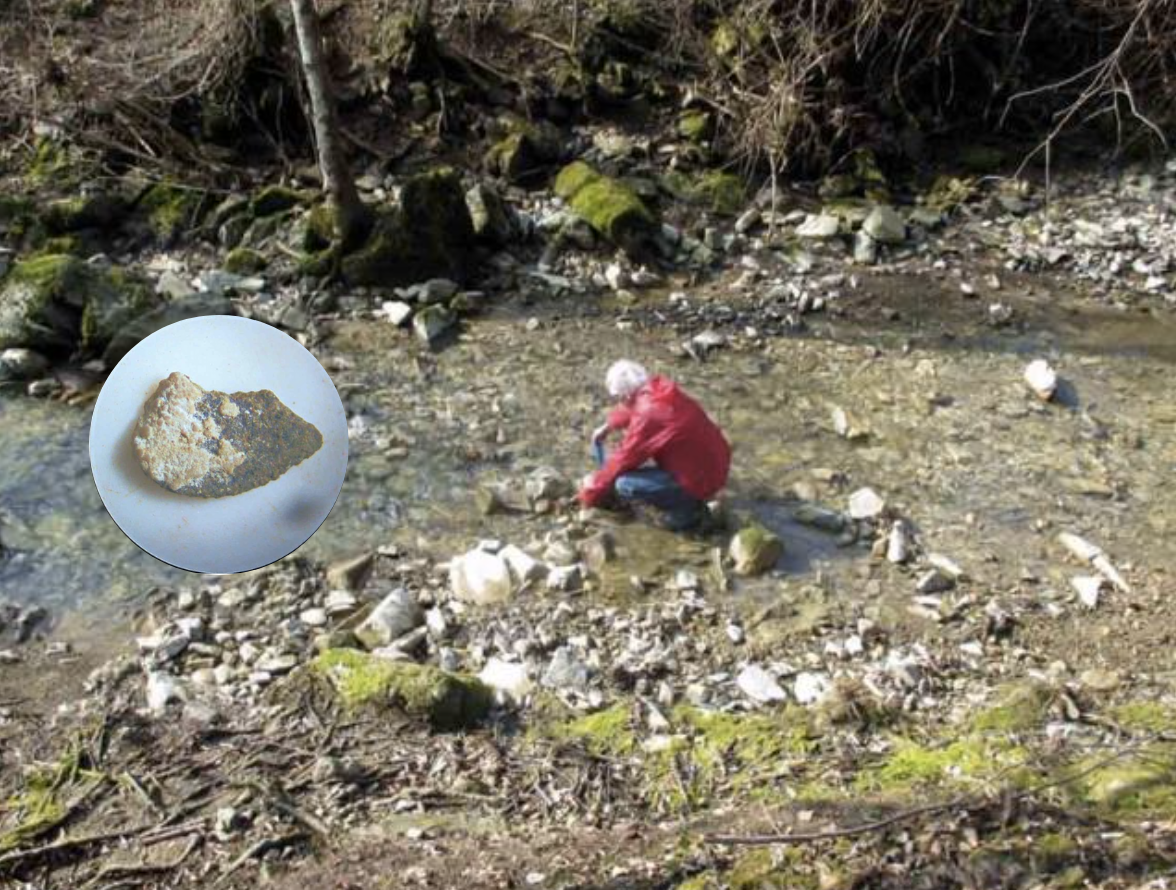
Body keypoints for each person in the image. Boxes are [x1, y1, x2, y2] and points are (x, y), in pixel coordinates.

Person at [577, 360, 731, 531]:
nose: (618, 401)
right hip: (716, 466)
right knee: (609, 457)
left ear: (626, 395)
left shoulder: (647, 416)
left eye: (617, 397)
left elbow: (624, 459)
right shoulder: (659, 390)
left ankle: (687, 513)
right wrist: (609, 425)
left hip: (699, 481)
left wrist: (589, 494)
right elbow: (632, 409)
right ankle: (690, 498)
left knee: (624, 483)